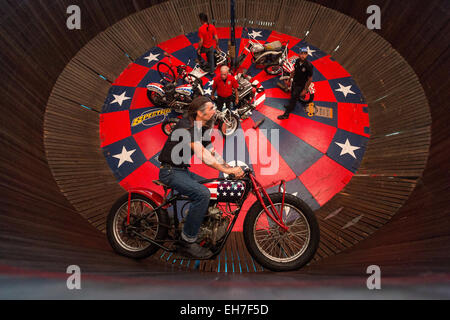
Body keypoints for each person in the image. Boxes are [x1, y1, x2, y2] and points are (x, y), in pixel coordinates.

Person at [158, 96, 244, 259]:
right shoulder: (186, 126)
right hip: (170, 171)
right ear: (199, 112)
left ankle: (196, 226)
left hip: (181, 170)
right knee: (202, 194)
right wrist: (230, 171)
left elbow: (211, 152)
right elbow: (202, 154)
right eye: (211, 108)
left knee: (211, 190)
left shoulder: (202, 128)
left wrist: (228, 168)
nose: (215, 110)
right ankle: (187, 242)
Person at [278, 47, 314, 119]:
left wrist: (305, 89)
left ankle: (286, 114)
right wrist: (289, 79)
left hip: (300, 86)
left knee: (293, 98)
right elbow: (294, 71)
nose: (303, 55)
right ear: (299, 54)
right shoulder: (297, 61)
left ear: (307, 55)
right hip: (294, 82)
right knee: (292, 96)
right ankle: (292, 107)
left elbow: (310, 79)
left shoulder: (308, 66)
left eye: (305, 54)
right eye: (301, 53)